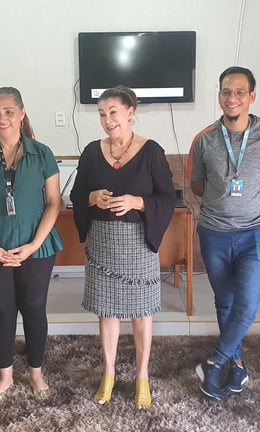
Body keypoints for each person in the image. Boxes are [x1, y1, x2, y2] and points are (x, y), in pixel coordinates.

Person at [188, 66, 260, 400]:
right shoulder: (204, 139)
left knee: (246, 306)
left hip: (256, 234)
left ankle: (214, 363)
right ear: (219, 96)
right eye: (226, 92)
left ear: (252, 97)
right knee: (225, 302)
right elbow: (197, 185)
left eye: (239, 92)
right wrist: (225, 204)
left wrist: (255, 205)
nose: (231, 98)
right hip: (214, 233)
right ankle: (237, 365)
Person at [70, 85, 175, 408]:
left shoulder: (151, 151)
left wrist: (137, 201)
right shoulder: (91, 152)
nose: (107, 120)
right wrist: (92, 197)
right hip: (102, 242)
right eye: (102, 114)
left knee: (142, 313)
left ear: (131, 112)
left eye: (113, 112)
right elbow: (76, 195)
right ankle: (109, 374)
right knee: (107, 311)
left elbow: (168, 198)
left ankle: (142, 377)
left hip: (139, 243)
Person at [0, 87, 64, 404]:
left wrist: (34, 245)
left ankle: (36, 374)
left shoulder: (42, 153)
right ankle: (5, 376)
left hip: (37, 246)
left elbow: (54, 203)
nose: (2, 118)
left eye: (8, 111)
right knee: (3, 309)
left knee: (33, 308)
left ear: (22, 113)